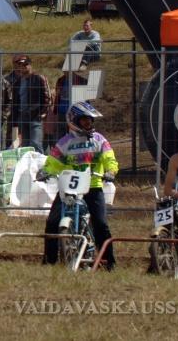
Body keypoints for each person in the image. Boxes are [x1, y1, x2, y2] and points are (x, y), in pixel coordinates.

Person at [41, 101, 117, 270]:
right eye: (84, 120)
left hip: (93, 187)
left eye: (90, 120)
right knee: (52, 222)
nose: (88, 123)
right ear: (74, 120)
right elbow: (53, 161)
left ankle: (109, 262)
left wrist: (111, 171)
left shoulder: (99, 140)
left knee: (101, 224)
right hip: (69, 188)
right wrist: (45, 171)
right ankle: (49, 261)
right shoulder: (64, 142)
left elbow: (109, 158)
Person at [7, 54, 51, 152]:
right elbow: (15, 102)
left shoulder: (39, 78)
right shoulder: (17, 82)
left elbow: (48, 97)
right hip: (22, 116)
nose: (23, 67)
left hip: (35, 116)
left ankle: (41, 161)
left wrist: (43, 113)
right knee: (25, 145)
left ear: (30, 65)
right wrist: (15, 118)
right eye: (20, 65)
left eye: (25, 64)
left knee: (36, 143)